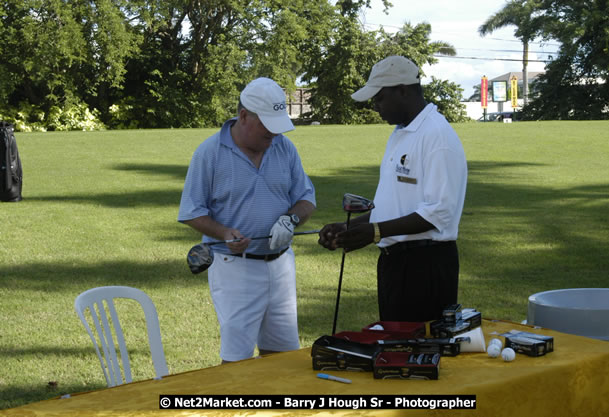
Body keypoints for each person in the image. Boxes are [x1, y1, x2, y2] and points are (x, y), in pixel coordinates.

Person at [318, 56, 467, 323]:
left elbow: (439, 212)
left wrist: (375, 231)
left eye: (380, 98)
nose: (375, 106)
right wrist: (350, 227)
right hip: (395, 263)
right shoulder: (401, 133)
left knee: (417, 354)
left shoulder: (436, 136)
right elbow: (394, 205)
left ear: (403, 90)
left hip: (426, 266)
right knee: (394, 349)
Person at [178, 77, 316, 362]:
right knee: (237, 360)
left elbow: (305, 198)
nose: (274, 135)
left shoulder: (284, 148)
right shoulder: (210, 153)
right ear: (243, 116)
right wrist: (225, 233)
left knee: (283, 357)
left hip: (280, 265)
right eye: (268, 128)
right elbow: (192, 211)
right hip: (234, 269)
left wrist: (290, 220)